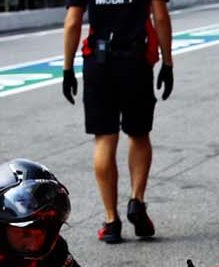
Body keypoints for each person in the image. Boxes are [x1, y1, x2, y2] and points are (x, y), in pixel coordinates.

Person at [61, 0, 173, 244]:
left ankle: (111, 221)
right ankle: (137, 201)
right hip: (135, 62)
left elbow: (72, 23)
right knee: (139, 134)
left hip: (99, 63)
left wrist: (67, 69)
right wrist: (167, 62)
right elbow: (160, 17)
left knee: (104, 138)